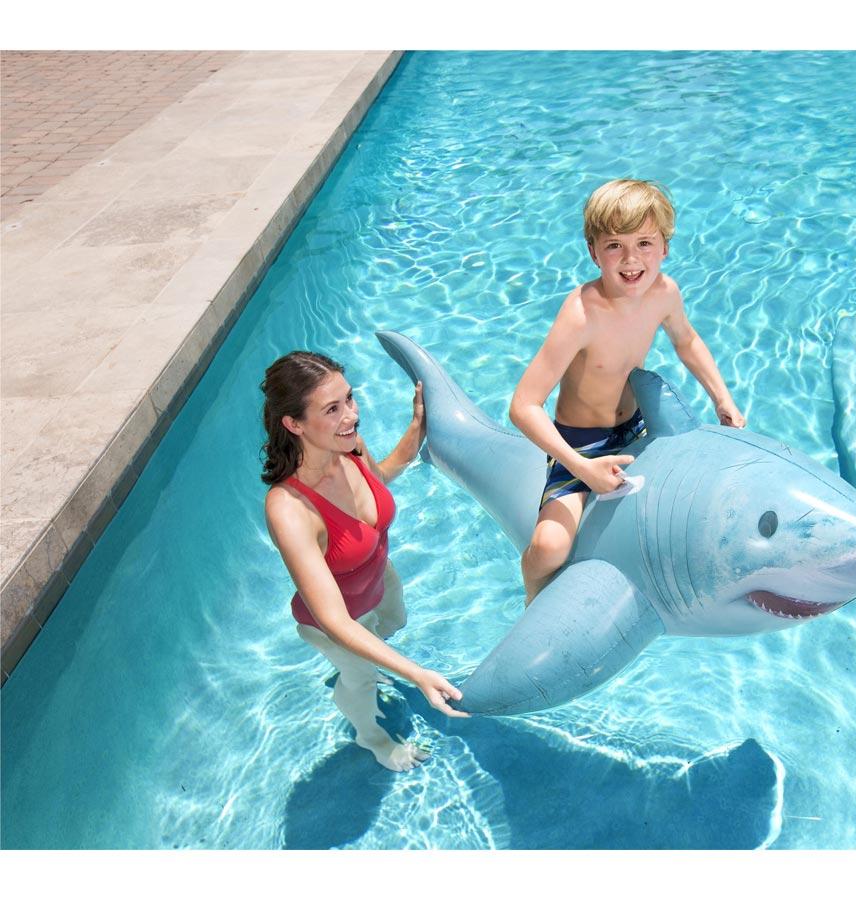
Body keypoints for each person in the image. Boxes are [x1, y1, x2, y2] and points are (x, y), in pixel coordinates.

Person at [509, 178, 746, 605]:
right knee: (550, 549)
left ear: (665, 248)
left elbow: (687, 341)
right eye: (615, 245)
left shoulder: (664, 293)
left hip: (637, 428)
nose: (631, 259)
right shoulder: (581, 314)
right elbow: (523, 405)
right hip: (582, 443)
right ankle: (530, 596)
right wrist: (582, 467)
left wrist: (721, 398)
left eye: (645, 243)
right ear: (593, 252)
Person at [261, 351, 467, 772]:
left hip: (380, 581)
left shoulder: (350, 446)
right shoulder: (290, 509)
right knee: (361, 678)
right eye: (332, 409)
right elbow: (334, 620)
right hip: (336, 623)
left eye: (350, 399)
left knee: (394, 624)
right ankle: (371, 738)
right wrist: (417, 673)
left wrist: (417, 429)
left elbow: (382, 475)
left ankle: (364, 667)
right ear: (294, 424)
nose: (351, 415)